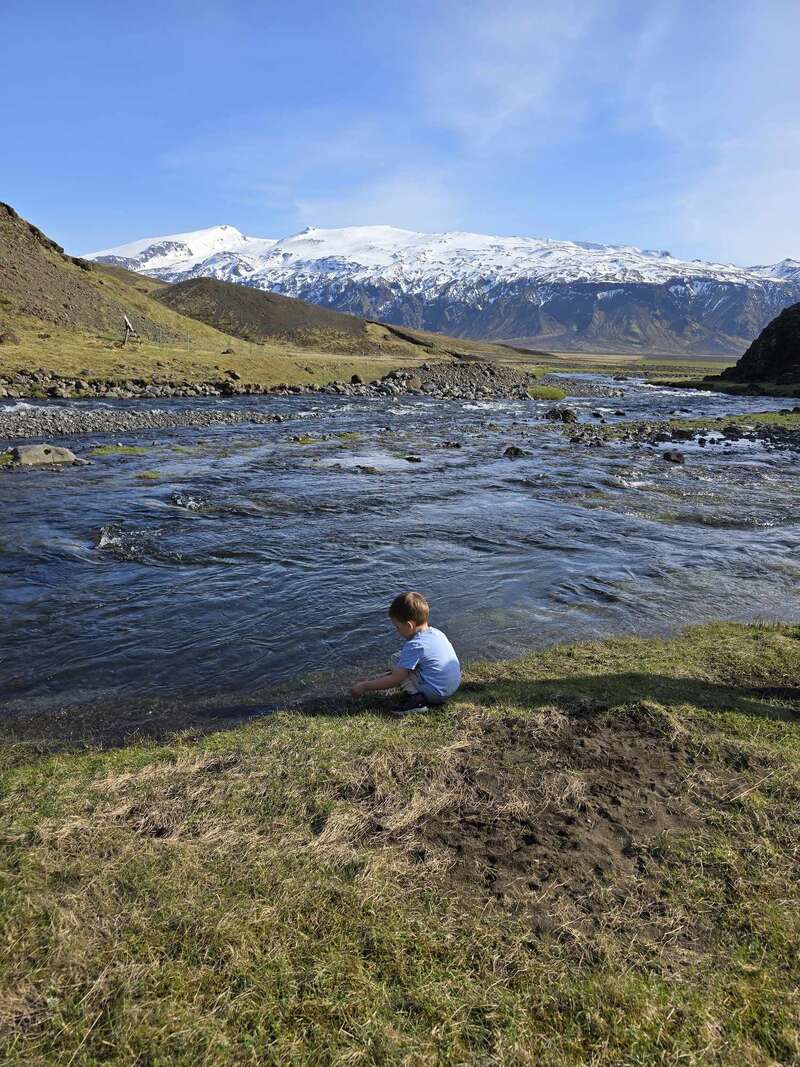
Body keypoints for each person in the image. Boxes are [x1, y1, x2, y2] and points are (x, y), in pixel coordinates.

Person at [350, 591, 461, 714]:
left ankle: (416, 701)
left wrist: (364, 686)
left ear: (409, 625)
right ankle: (413, 682)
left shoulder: (414, 645)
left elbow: (395, 680)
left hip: (436, 694)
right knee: (403, 661)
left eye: (397, 627)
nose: (397, 630)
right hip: (452, 686)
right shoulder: (436, 633)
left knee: (397, 660)